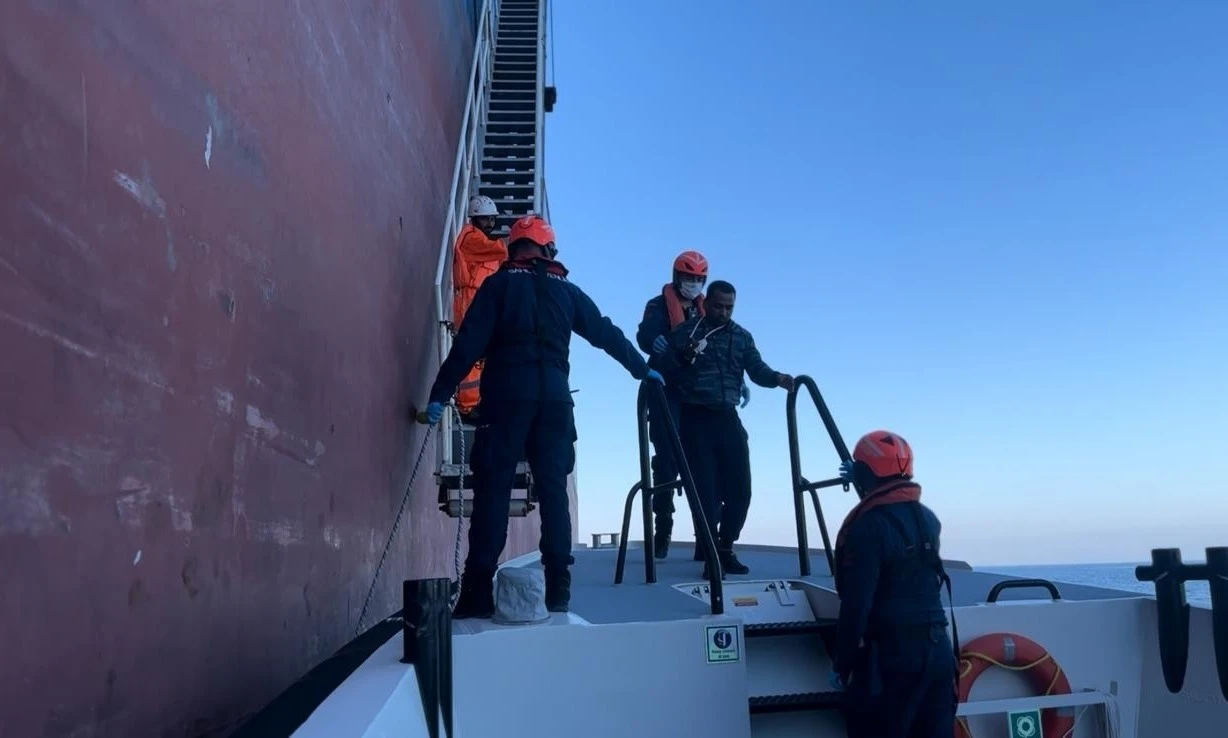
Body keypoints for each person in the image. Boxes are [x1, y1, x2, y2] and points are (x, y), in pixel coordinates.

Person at [423, 214, 664, 618]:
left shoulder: (498, 286)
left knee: (494, 493)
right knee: (554, 493)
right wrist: (642, 369)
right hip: (555, 401)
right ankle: (558, 590)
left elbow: (468, 344)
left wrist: (439, 392)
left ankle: (477, 592)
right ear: (548, 249)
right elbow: (605, 333)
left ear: (514, 248)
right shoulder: (566, 291)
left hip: (506, 399)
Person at [828, 430, 957, 738]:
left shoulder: (867, 525)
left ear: (864, 472)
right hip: (939, 653)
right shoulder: (927, 519)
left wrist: (842, 663)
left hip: (894, 658)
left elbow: (858, 603)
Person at [660, 280, 793, 576]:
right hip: (695, 419)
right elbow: (664, 367)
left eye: (729, 307)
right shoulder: (686, 333)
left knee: (741, 490)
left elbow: (756, 369)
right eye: (718, 306)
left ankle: (725, 548)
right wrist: (680, 358)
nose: (723, 312)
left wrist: (777, 378)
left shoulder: (742, 337)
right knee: (706, 494)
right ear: (706, 303)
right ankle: (711, 555)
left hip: (727, 418)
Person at [636, 250, 747, 560]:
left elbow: (723, 353)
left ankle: (706, 539)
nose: (693, 283)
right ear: (676, 277)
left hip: (698, 399)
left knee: (707, 466)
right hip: (667, 392)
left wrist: (737, 381)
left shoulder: (706, 311)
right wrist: (654, 342)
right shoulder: (657, 306)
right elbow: (645, 335)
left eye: (699, 279)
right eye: (688, 278)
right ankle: (663, 526)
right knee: (667, 458)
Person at [452, 194, 509, 421]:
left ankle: (477, 401)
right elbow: (499, 250)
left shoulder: (485, 247)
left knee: (482, 356)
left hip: (483, 302)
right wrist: (518, 239)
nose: (490, 224)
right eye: (486, 219)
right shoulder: (471, 238)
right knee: (472, 353)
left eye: (492, 219)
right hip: (468, 300)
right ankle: (466, 405)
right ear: (475, 218)